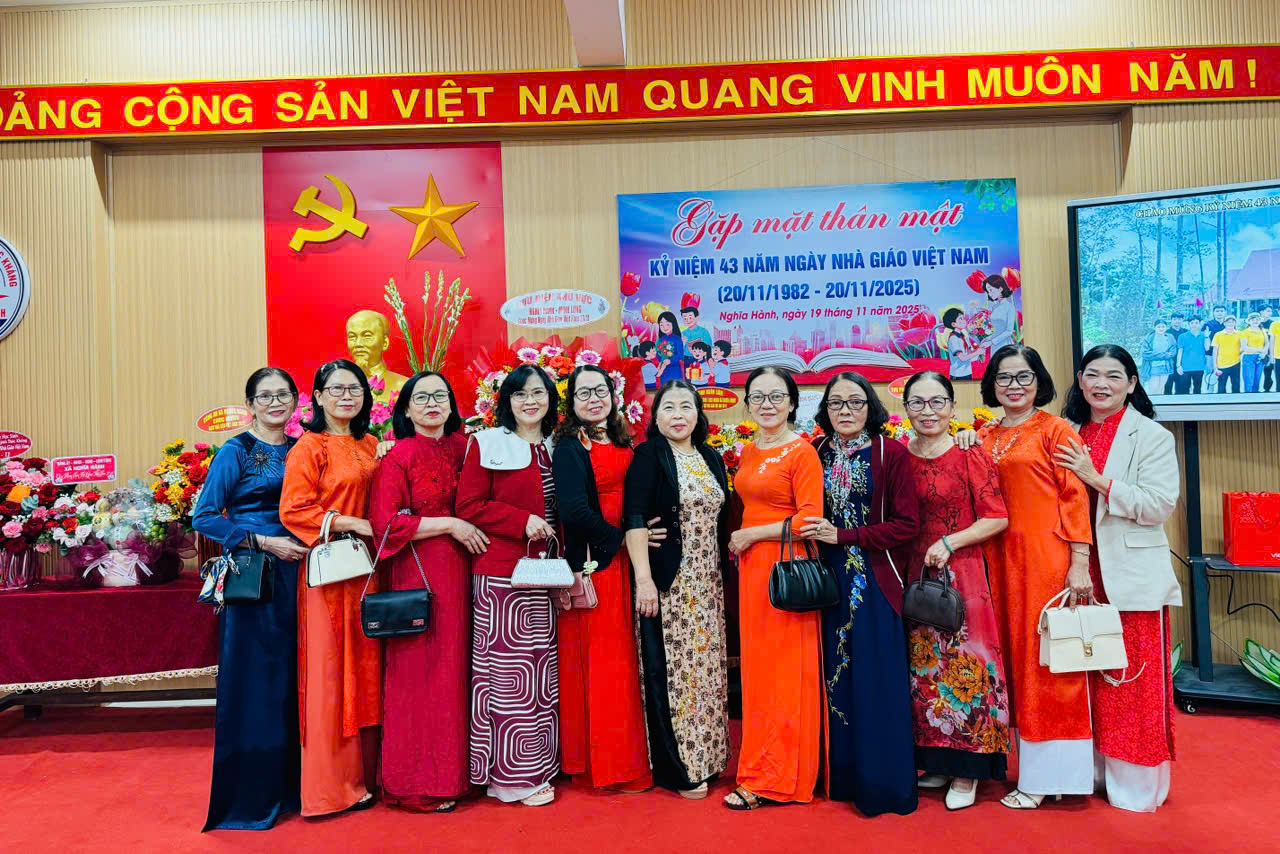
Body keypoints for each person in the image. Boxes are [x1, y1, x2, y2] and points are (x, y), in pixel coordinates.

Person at [1057, 345, 1181, 813]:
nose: (1101, 384)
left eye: (1114, 375)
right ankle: (1088, 774)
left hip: (1129, 578)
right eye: (1093, 374)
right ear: (1080, 380)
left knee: (1131, 683)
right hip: (1075, 571)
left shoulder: (1151, 435)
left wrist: (1097, 478)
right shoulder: (1067, 430)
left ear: (1131, 383)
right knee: (1081, 678)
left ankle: (1135, 787)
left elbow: (1158, 505)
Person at [797, 372, 920, 817]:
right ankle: (842, 778)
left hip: (875, 578)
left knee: (876, 676)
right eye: (836, 403)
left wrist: (845, 535)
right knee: (835, 673)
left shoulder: (891, 453)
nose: (845, 411)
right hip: (826, 581)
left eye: (855, 402)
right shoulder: (816, 452)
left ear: (871, 406)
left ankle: (883, 786)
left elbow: (907, 525)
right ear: (825, 410)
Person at [977, 344, 1094, 809]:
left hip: (1045, 558)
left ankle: (1048, 777)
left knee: (1044, 663)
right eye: (1004, 377)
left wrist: (1079, 560)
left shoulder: (1055, 430)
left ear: (1038, 381)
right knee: (1008, 660)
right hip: (996, 560)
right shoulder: (984, 434)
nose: (1014, 386)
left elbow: (1075, 496)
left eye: (1023, 377)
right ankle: (1022, 767)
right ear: (992, 384)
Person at [194, 368, 310, 831]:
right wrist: (263, 542)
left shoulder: (303, 447)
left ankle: (297, 787)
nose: (275, 403)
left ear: (296, 400)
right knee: (258, 680)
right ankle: (252, 796)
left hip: (301, 571)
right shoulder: (236, 450)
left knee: (295, 678)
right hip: (254, 575)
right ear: (250, 403)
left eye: (283, 394)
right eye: (265, 396)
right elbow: (205, 516)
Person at [367, 371, 488, 813]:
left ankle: (463, 775)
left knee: (466, 671)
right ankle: (418, 784)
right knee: (423, 673)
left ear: (453, 404)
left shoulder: (469, 447)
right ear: (406, 408)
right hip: (420, 571)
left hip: (473, 569)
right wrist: (451, 524)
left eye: (440, 395)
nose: (432, 403)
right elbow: (385, 525)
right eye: (421, 397)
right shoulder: (398, 455)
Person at [898, 372, 1011, 812]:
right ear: (905, 408)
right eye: (918, 403)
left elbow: (996, 517)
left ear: (951, 405)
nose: (928, 411)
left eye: (937, 402)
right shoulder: (899, 455)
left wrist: (950, 542)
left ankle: (969, 770)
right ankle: (939, 762)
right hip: (915, 576)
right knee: (925, 673)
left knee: (967, 669)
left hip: (962, 573)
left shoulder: (968, 452)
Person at [279, 359, 382, 817]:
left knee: (367, 668)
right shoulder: (310, 447)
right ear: (318, 397)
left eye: (354, 388)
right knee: (329, 674)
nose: (346, 396)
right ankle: (331, 788)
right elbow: (294, 509)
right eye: (336, 389)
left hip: (370, 570)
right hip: (328, 572)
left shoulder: (371, 443)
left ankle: (371, 776)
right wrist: (350, 522)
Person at [455, 365, 562, 807]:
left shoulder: (557, 444)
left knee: (540, 673)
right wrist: (522, 521)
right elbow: (469, 505)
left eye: (538, 392)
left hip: (546, 572)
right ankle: (510, 777)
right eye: (520, 394)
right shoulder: (486, 443)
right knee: (506, 677)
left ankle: (541, 764)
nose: (530, 401)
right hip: (501, 574)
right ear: (507, 401)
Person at [722, 367, 824, 811]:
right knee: (758, 674)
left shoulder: (802, 452)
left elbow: (809, 519)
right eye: (758, 396)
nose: (767, 404)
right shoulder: (749, 449)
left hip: (786, 571)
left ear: (792, 402)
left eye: (776, 396)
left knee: (784, 674)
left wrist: (753, 534)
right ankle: (759, 766)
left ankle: (778, 778)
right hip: (751, 571)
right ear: (747, 403)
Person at [623, 380, 731, 799]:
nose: (678, 414)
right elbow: (635, 519)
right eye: (668, 407)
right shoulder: (649, 455)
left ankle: (709, 757)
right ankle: (679, 769)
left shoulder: (710, 456)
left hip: (708, 585)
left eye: (687, 406)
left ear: (699, 414)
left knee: (706, 674)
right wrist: (644, 581)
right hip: (669, 585)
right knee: (673, 675)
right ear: (656, 417)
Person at [552, 365, 653, 793]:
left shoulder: (623, 439)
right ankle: (611, 766)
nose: (594, 399)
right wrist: (618, 541)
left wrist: (642, 533)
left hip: (630, 557)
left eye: (601, 390)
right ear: (571, 402)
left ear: (614, 396)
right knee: (608, 662)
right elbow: (572, 511)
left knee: (628, 660)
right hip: (601, 560)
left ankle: (628, 755)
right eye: (584, 393)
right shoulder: (569, 447)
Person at [345, 310, 409, 403]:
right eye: (352, 337)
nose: (358, 344)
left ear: (385, 342)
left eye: (367, 336)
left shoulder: (403, 386)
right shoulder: (336, 384)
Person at [982, 275, 1018, 355]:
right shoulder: (995, 307)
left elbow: (1009, 331)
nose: (989, 294)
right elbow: (997, 330)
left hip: (1005, 344)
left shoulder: (1009, 307)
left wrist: (991, 342)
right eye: (988, 291)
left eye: (990, 290)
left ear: (1000, 288)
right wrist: (988, 338)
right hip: (994, 344)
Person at [942, 307, 981, 380]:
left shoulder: (963, 336)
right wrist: (977, 352)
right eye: (961, 319)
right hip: (958, 374)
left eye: (963, 318)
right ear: (953, 324)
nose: (964, 321)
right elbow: (962, 358)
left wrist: (979, 348)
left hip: (967, 372)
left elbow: (969, 353)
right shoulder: (954, 339)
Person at [1139, 320, 1175, 390]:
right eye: (1158, 327)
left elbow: (1172, 352)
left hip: (1166, 367)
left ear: (1166, 327)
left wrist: (1155, 355)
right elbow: (1145, 354)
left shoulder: (1170, 337)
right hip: (1153, 367)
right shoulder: (1149, 338)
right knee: (1154, 389)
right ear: (1154, 327)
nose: (1161, 329)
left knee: (1161, 388)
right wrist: (1164, 355)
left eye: (1163, 327)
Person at [1174, 317, 1206, 395]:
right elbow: (1180, 351)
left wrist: (1207, 337)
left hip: (1199, 366)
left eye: (1196, 323)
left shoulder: (1204, 335)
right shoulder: (1182, 336)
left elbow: (1207, 348)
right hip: (1186, 367)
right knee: (1185, 389)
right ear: (1189, 324)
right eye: (1192, 323)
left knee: (1197, 389)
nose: (1194, 325)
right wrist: (1178, 365)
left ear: (1200, 324)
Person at [1211, 316, 1243, 394]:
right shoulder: (1218, 335)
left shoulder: (1240, 334)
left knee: (1236, 386)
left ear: (1235, 323)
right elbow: (1215, 351)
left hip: (1236, 363)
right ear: (1224, 323)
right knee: (1221, 388)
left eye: (1232, 322)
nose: (1230, 324)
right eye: (1228, 322)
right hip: (1222, 365)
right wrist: (1215, 366)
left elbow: (1243, 347)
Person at [656, 311, 685, 386]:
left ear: (673, 324)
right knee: (665, 388)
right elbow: (658, 354)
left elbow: (680, 355)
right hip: (664, 370)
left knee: (676, 388)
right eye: (661, 325)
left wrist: (670, 361)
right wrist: (660, 357)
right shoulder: (661, 339)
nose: (664, 327)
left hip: (675, 369)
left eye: (667, 324)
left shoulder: (677, 339)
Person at [1240, 313, 1267, 393]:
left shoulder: (1262, 331)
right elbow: (1244, 347)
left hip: (1260, 357)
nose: (1255, 321)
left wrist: (1264, 353)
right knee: (1249, 381)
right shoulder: (1245, 332)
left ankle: (1255, 398)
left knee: (1257, 381)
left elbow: (1267, 343)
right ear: (1249, 321)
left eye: (1257, 319)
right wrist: (1260, 350)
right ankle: (1248, 398)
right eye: (1253, 319)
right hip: (1249, 357)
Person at [1164, 313, 1186, 395]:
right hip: (1169, 363)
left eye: (1179, 319)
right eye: (1175, 319)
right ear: (1171, 320)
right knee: (1167, 386)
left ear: (1182, 320)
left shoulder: (1186, 332)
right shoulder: (1166, 332)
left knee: (1181, 387)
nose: (1177, 321)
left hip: (1182, 363)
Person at [1262, 306, 1279, 392]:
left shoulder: (1272, 323)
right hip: (1277, 356)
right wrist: (1271, 355)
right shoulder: (1274, 325)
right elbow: (1271, 341)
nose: (1270, 313)